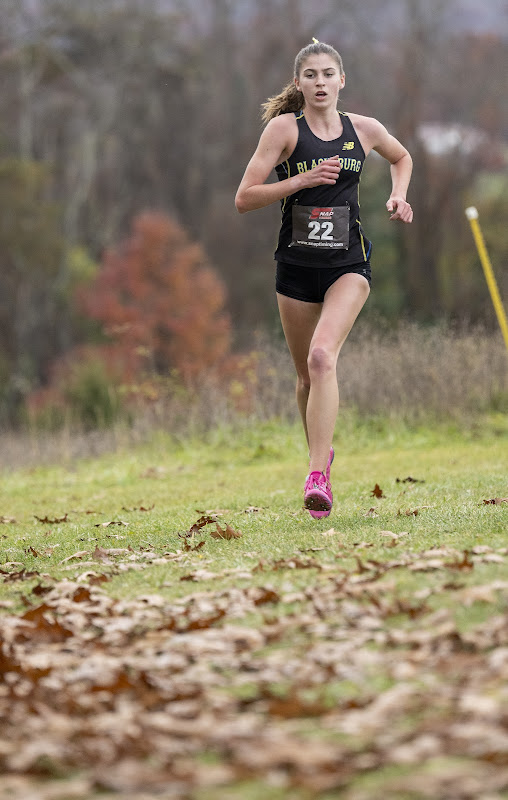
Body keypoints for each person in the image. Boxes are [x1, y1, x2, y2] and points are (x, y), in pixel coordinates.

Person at [235, 40, 413, 519]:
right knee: (303, 379)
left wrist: (398, 196)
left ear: (341, 81)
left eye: (327, 73)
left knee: (320, 358)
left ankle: (317, 477)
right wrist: (300, 181)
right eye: (310, 74)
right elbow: (244, 197)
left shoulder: (365, 130)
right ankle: (323, 456)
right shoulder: (283, 131)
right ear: (299, 83)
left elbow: (402, 158)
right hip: (294, 270)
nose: (319, 82)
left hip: (347, 267)